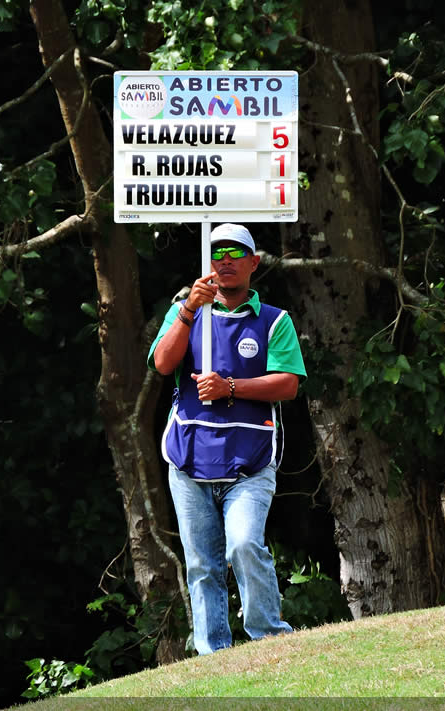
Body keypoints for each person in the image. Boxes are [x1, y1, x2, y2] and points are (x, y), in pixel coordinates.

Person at [147, 223, 306, 655]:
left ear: (254, 262)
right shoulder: (184, 311)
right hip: (189, 459)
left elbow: (289, 384)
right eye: (217, 253)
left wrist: (230, 387)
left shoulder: (274, 320)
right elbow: (163, 364)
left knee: (243, 544)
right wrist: (188, 311)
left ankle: (269, 638)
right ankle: (213, 654)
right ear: (207, 262)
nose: (226, 260)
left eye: (236, 253)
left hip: (250, 461)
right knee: (201, 565)